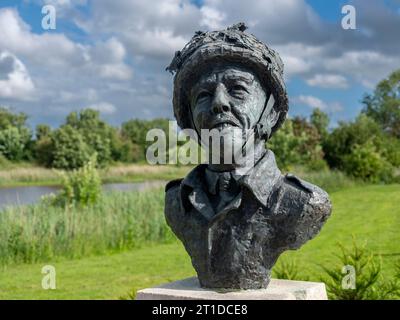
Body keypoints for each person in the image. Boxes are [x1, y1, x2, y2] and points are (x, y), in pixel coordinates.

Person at [164, 23, 332, 289]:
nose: (219, 102)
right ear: (191, 122)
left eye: (238, 89)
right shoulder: (176, 201)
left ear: (271, 113)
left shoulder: (303, 202)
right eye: (204, 95)